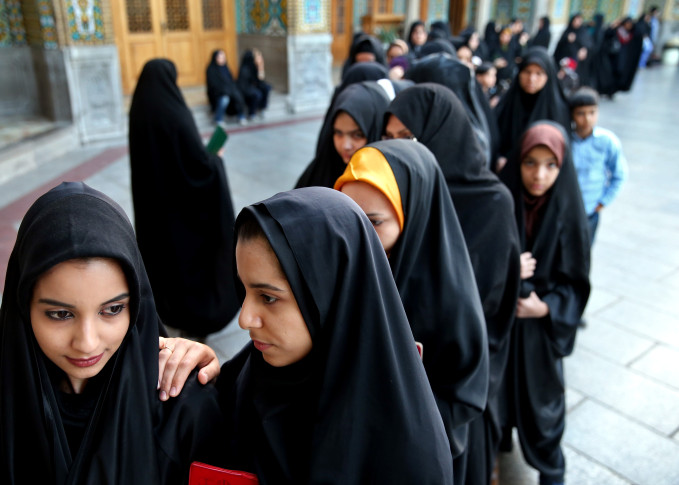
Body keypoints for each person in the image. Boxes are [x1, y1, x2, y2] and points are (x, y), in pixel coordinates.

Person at [0, 182, 227, 483]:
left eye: (112, 310)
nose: (87, 343)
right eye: (60, 314)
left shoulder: (182, 404)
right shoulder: (11, 396)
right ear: (23, 309)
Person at [216, 187, 454, 483]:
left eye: (268, 297)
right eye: (244, 290)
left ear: (330, 294)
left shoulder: (408, 455)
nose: (244, 319)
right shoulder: (245, 379)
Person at [382, 86, 522, 485]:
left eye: (407, 137)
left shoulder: (491, 202)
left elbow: (490, 302)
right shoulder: (397, 197)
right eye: (387, 137)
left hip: (452, 382)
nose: (394, 148)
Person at [334, 140, 489, 485]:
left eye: (373, 223)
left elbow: (463, 397)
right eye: (348, 218)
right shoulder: (342, 269)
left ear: (414, 214)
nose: (358, 238)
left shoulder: (450, 303)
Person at [498, 122, 591, 485]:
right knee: (499, 397)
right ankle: (499, 443)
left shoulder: (570, 213)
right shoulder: (501, 201)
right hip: (504, 325)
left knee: (543, 409)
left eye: (551, 165)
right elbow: (473, 262)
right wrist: (507, 269)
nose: (539, 175)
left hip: (539, 330)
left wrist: (547, 307)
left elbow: (577, 283)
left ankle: (551, 473)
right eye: (530, 163)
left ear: (562, 166)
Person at [129, 59, 240, 340]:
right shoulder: (175, 113)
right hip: (183, 210)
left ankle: (170, 313)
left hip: (155, 206)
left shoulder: (139, 110)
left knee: (164, 262)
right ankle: (197, 317)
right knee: (190, 259)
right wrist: (215, 159)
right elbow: (198, 166)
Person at [295, 81, 391, 188]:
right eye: (338, 133)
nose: (345, 145)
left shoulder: (387, 185)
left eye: (357, 135)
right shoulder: (320, 172)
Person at [494, 46, 571, 171]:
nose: (531, 79)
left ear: (548, 76)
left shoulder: (558, 110)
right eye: (527, 72)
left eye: (539, 73)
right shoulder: (507, 104)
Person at [569, 87, 628, 245]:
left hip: (590, 210)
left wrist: (603, 201)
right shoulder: (566, 140)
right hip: (567, 210)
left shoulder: (607, 141)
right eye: (581, 113)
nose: (587, 118)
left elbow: (619, 175)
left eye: (592, 112)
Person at [206, 49, 246, 125]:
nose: (222, 60)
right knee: (224, 99)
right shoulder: (211, 69)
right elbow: (213, 85)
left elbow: (231, 81)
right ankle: (218, 119)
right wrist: (224, 91)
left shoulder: (225, 67)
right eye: (220, 58)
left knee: (238, 96)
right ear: (215, 58)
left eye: (223, 58)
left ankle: (241, 116)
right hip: (217, 93)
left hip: (229, 90)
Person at [237, 48, 272, 120]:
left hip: (254, 86)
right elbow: (245, 84)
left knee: (266, 88)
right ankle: (251, 113)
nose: (260, 59)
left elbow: (260, 79)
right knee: (257, 94)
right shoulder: (245, 69)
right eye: (258, 57)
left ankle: (262, 108)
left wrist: (260, 67)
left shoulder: (255, 67)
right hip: (247, 88)